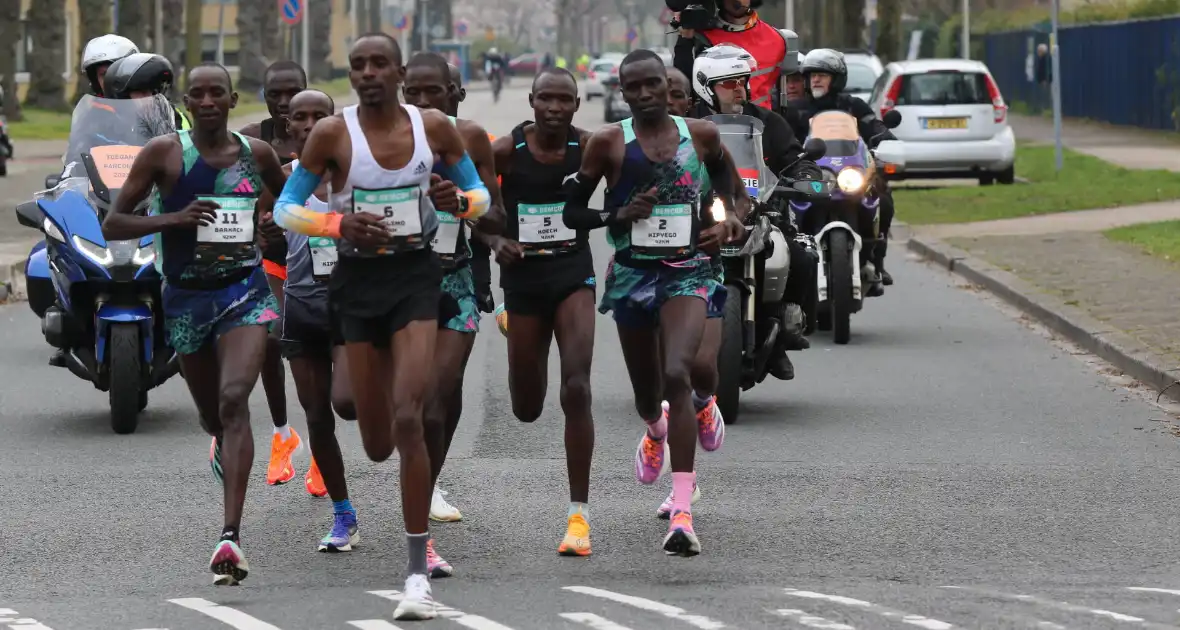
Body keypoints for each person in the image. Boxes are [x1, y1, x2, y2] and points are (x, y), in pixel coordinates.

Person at [272, 33, 491, 620]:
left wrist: (457, 201)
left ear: (397, 71)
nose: (368, 73)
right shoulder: (331, 134)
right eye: (358, 64)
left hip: (417, 279)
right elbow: (283, 210)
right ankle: (385, 457)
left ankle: (417, 574)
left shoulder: (435, 129)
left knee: (410, 416)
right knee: (374, 443)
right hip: (357, 286)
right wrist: (336, 224)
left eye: (379, 64)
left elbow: (480, 197)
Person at [100, 62, 289, 585]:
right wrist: (173, 219)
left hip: (244, 293)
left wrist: (274, 218)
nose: (207, 102)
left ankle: (230, 536)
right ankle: (220, 443)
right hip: (184, 298)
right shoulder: (164, 154)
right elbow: (115, 221)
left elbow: (292, 201)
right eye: (198, 94)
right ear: (187, 102)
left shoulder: (258, 155)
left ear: (232, 100)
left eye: (217, 94)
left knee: (234, 401)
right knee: (213, 416)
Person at [562, 49, 747, 556]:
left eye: (653, 85)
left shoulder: (700, 135)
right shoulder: (607, 144)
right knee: (649, 395)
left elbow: (733, 190)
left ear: (668, 89)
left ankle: (683, 510)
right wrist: (617, 213)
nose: (645, 94)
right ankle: (654, 429)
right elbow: (574, 211)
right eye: (634, 87)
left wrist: (729, 219)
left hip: (690, 269)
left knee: (678, 374)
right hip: (632, 275)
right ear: (622, 92)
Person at [401, 51, 506, 573]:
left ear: (452, 93)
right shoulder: (379, 141)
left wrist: (461, 203)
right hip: (394, 283)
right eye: (413, 93)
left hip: (455, 278)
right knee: (403, 402)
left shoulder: (470, 139)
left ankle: (426, 490)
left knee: (440, 395)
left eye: (433, 93)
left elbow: (496, 213)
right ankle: (419, 476)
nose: (423, 103)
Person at [486, 67, 597, 556]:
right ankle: (516, 329)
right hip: (525, 282)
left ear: (576, 105)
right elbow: (476, 209)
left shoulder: (591, 148)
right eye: (545, 99)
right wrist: (494, 240)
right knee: (526, 409)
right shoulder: (503, 151)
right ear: (531, 101)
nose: (554, 108)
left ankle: (579, 516)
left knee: (576, 386)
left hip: (574, 274)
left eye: (564, 100)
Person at [257, 89, 364, 553]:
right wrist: (264, 235)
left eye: (318, 115)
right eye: (298, 117)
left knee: (347, 403)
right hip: (301, 306)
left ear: (333, 122)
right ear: (288, 126)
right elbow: (268, 246)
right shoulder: (282, 181)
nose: (307, 123)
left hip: (350, 306)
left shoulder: (359, 177)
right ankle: (344, 515)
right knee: (318, 414)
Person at [691, 44, 817, 376]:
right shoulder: (692, 125)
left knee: (801, 255)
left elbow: (793, 156)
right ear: (706, 86)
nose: (739, 89)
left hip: (763, 209)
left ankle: (780, 335)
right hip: (707, 212)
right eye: (729, 82)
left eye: (742, 81)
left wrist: (805, 175)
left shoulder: (767, 122)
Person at [240, 60, 310, 487]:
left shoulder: (327, 132)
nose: (284, 103)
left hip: (326, 261)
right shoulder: (250, 140)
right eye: (275, 95)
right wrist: (259, 222)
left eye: (293, 93)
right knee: (270, 333)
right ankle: (282, 433)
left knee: (320, 350)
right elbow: (229, 196)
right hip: (274, 258)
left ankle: (322, 449)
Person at [789, 48, 897, 289]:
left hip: (850, 173)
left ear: (836, 79)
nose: (815, 79)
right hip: (813, 175)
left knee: (884, 198)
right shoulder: (796, 109)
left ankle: (877, 258)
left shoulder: (853, 106)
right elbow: (785, 138)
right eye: (812, 75)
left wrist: (884, 136)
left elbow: (873, 125)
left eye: (822, 75)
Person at [672, 0, 790, 109]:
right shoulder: (700, 38)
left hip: (763, 125)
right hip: (716, 124)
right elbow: (683, 87)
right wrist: (685, 39)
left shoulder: (777, 39)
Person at [447, 63, 496, 316]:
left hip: (461, 268)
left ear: (459, 94)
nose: (429, 99)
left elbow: (492, 215)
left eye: (446, 89)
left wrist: (482, 280)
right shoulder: (399, 140)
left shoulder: (480, 142)